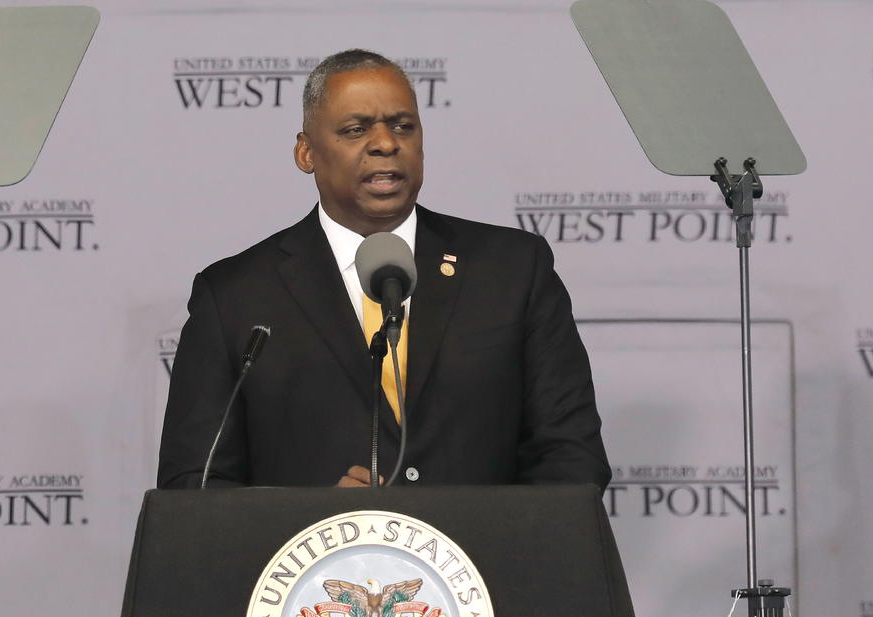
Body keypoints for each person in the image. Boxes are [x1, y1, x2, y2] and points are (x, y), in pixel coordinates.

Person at [157, 49, 610, 490]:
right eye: (356, 129)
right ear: (306, 152)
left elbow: (571, 457)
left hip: (488, 546)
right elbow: (194, 483)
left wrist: (483, 532)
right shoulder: (235, 296)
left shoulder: (512, 269)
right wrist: (317, 523)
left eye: (402, 126)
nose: (386, 143)